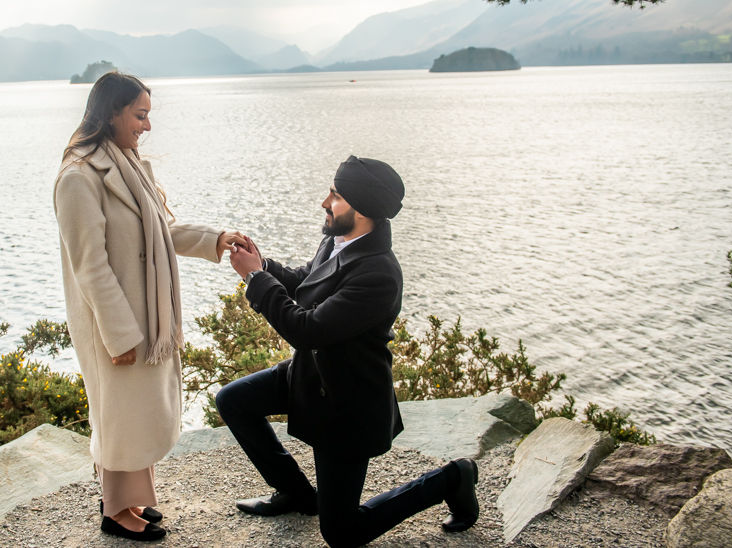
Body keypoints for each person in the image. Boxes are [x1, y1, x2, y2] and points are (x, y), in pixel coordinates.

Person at [218, 156, 480, 548]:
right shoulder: (338, 239)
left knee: (341, 533)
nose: (325, 202)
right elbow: (304, 282)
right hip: (310, 376)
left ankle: (453, 477)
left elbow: (307, 330)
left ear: (364, 208)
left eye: (336, 196)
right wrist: (264, 263)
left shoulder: (379, 274)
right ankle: (298, 494)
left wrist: (255, 278)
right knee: (234, 400)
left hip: (348, 404)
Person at [54, 72, 244, 542]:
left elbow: (160, 232)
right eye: (140, 116)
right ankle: (114, 511)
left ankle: (132, 498)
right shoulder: (78, 177)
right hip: (113, 321)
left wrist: (214, 240)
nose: (147, 126)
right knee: (119, 414)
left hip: (143, 313)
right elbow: (90, 267)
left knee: (136, 412)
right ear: (112, 113)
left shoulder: (130, 164)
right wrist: (119, 335)